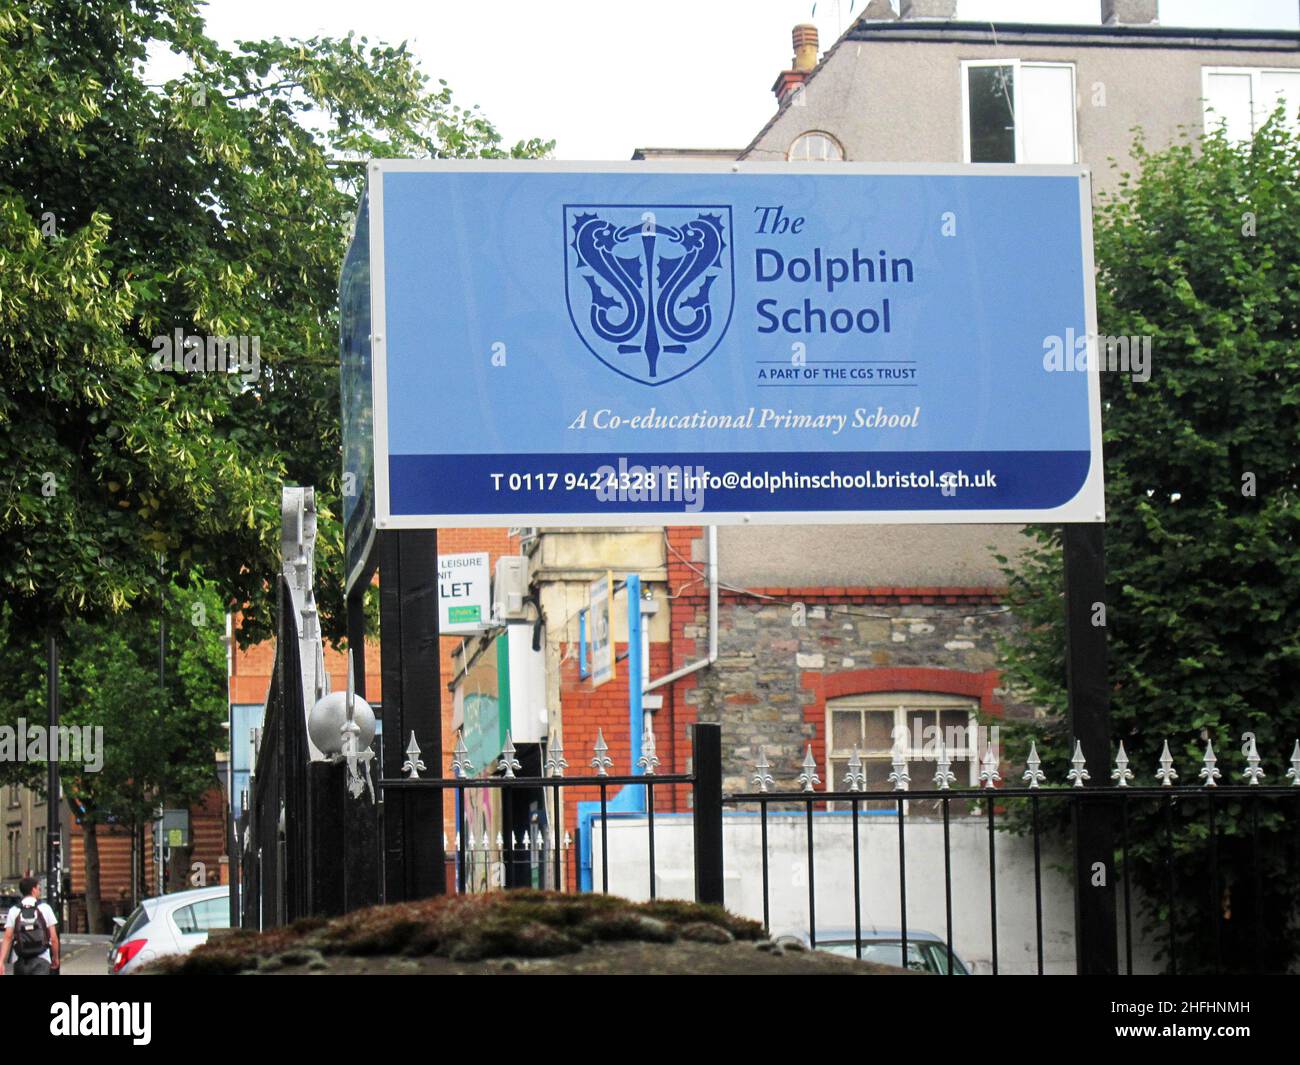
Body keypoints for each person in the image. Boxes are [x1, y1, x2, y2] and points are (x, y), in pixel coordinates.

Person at [1, 877, 60, 975]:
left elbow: (7, 937)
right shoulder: (45, 908)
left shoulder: (14, 910)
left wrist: (1, 961)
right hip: (42, 959)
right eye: (38, 888)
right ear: (33, 890)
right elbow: (53, 938)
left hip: (20, 960)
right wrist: (56, 958)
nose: (39, 890)